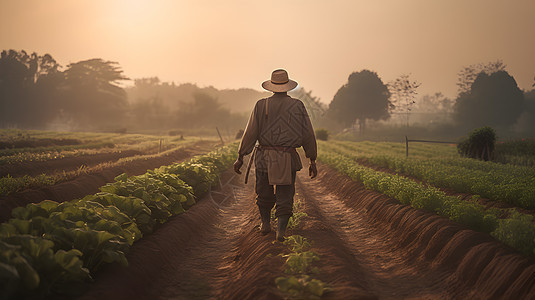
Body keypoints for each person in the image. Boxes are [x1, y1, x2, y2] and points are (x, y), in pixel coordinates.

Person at [233, 69, 317, 242]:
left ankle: (265, 224)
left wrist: (241, 156)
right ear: (288, 87)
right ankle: (280, 231)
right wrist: (312, 159)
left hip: (265, 156)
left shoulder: (261, 105)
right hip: (287, 157)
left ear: (272, 87)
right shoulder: (297, 105)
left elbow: (250, 132)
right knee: (285, 194)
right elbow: (308, 133)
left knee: (263, 191)